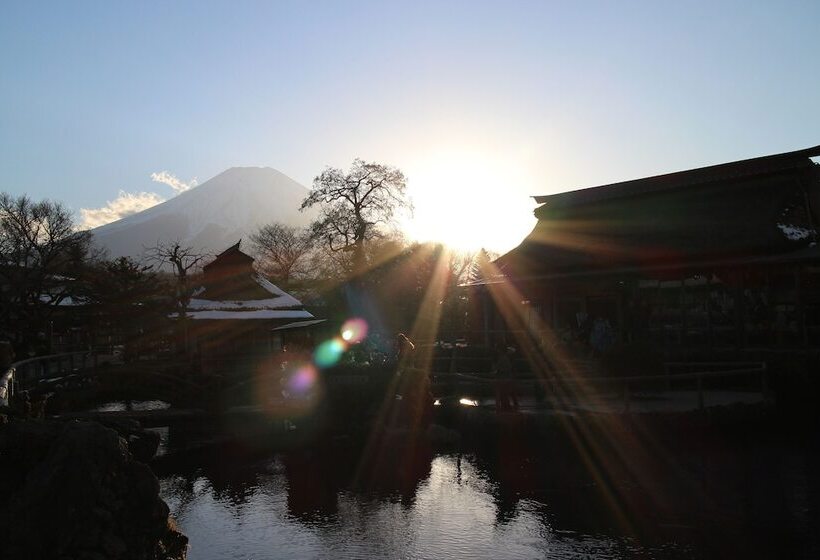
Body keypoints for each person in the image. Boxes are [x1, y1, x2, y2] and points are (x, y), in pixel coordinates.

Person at [494, 344, 518, 412]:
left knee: (502, 393)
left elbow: (502, 369)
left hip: (504, 379)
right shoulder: (504, 358)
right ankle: (506, 406)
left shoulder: (503, 358)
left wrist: (497, 370)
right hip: (506, 378)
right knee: (505, 393)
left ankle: (503, 407)